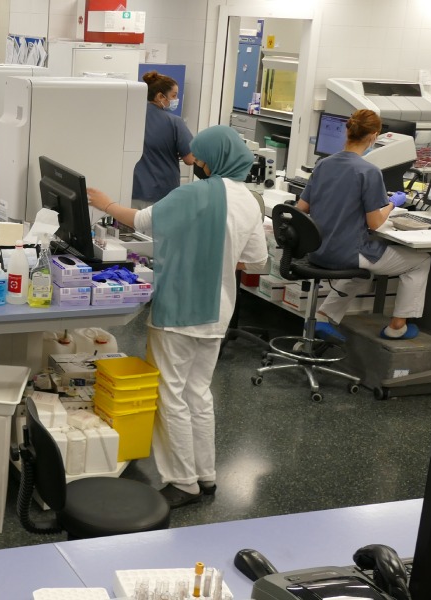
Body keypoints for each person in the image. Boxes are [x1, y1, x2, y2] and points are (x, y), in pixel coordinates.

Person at [88, 125, 268, 508]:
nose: (196, 165)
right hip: (218, 311)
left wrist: (103, 203)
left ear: (212, 160)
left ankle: (182, 481)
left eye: (199, 159)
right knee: (198, 394)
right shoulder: (250, 201)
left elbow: (139, 222)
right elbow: (256, 261)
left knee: (170, 394)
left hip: (180, 309)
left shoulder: (191, 193)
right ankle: (206, 475)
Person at [296, 109, 430, 341]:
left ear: (347, 131)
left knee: (362, 272)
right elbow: (376, 223)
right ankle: (397, 325)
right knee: (421, 261)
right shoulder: (369, 171)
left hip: (317, 251)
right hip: (346, 254)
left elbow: (301, 209)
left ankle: (324, 315)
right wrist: (392, 203)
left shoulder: (323, 165)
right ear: (373, 136)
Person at [131, 71, 196, 208]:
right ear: (160, 96)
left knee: (132, 229)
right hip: (161, 195)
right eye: (174, 95)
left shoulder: (132, 116)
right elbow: (190, 159)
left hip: (132, 191)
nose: (176, 99)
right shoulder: (174, 122)